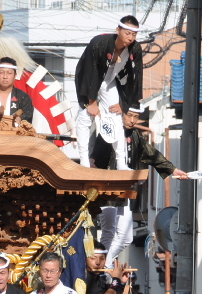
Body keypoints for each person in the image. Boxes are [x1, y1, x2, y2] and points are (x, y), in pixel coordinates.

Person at [95, 110, 187, 264]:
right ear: (121, 114)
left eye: (136, 117)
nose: (132, 120)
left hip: (125, 191)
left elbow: (152, 154)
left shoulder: (135, 136)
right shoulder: (109, 131)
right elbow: (95, 156)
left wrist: (172, 169)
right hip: (107, 189)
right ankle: (101, 266)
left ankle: (105, 264)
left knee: (126, 237)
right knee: (108, 232)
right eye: (129, 115)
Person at [75, 16, 142, 171]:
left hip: (110, 79)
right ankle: (84, 162)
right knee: (85, 116)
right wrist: (92, 102)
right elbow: (89, 72)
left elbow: (136, 77)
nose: (130, 38)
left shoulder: (135, 49)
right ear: (118, 30)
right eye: (127, 33)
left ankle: (121, 163)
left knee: (116, 116)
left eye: (134, 34)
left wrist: (125, 104)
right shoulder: (99, 43)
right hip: (88, 79)